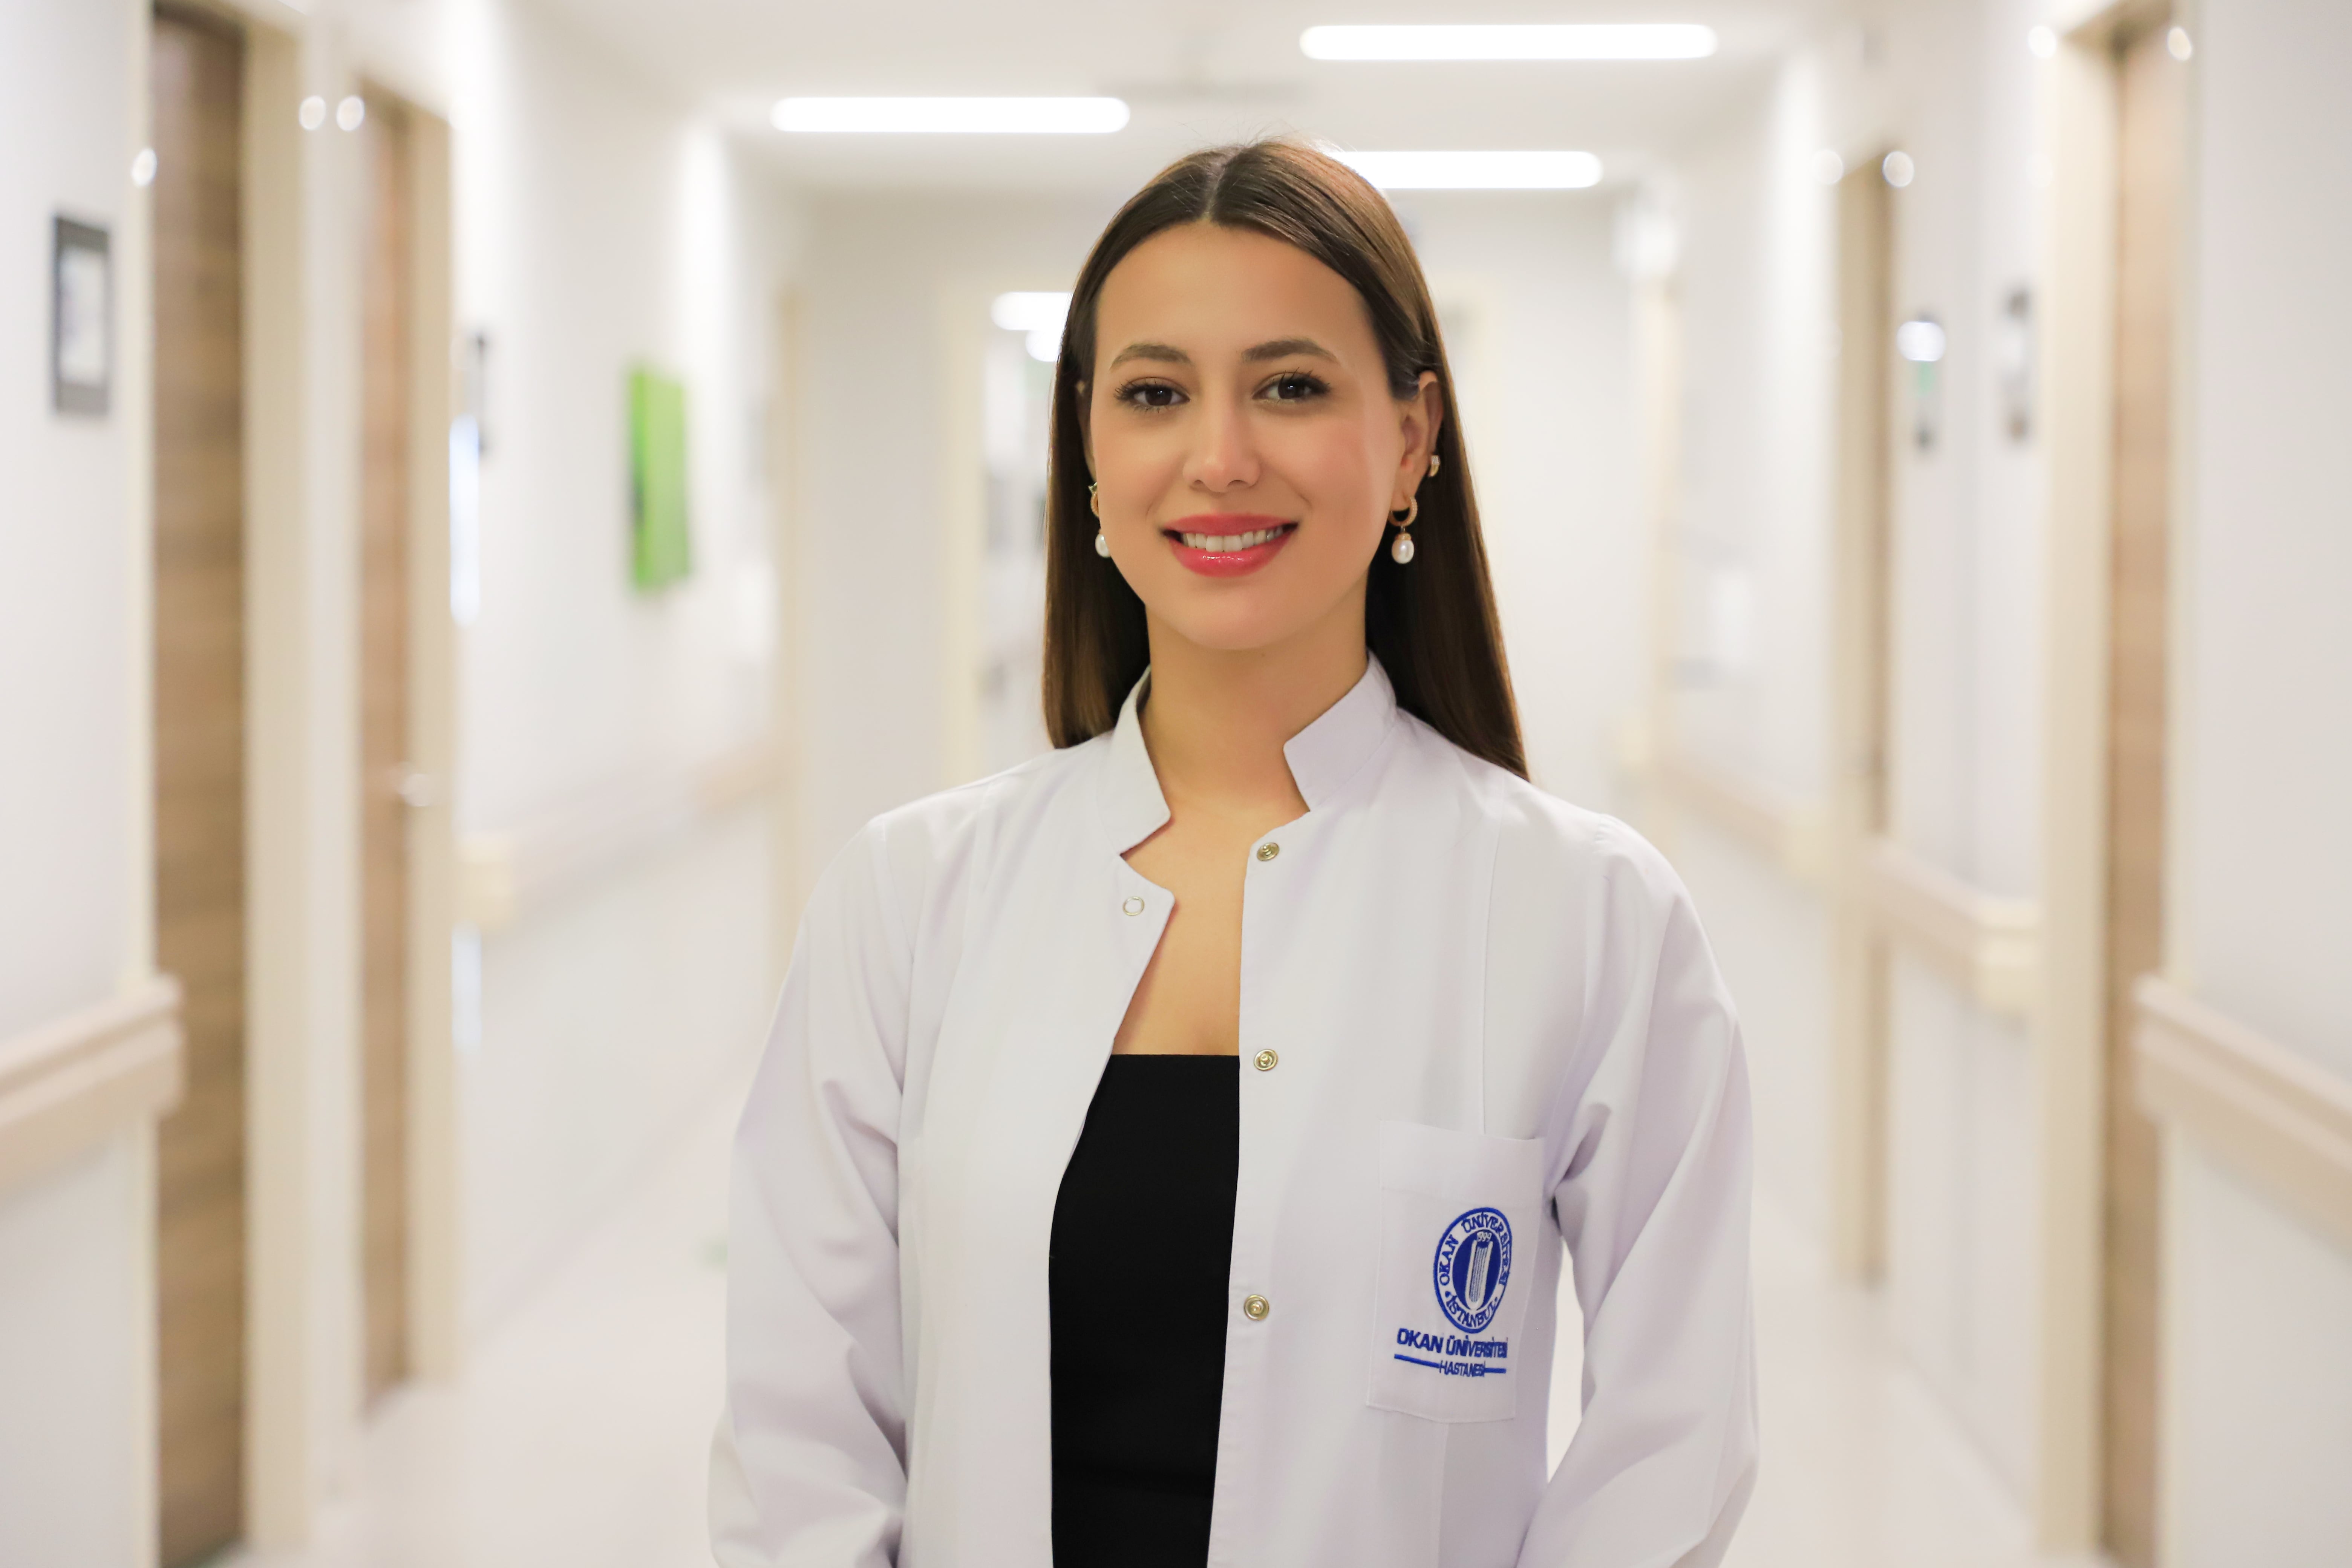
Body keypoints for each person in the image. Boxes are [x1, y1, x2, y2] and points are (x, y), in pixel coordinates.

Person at [711, 139, 1755, 1568]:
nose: (1219, 458)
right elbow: (800, 1433)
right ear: (1089, 449)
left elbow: (1673, 1440)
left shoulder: (1588, 915)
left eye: (1291, 386)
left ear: (1412, 437)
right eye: (1156, 393)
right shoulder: (909, 899)